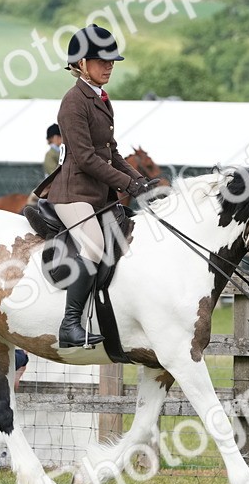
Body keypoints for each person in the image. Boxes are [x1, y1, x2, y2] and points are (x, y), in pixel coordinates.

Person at [35, 23, 157, 348]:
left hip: (97, 195)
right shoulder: (73, 102)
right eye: (102, 60)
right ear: (81, 64)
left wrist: (141, 181)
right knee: (93, 245)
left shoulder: (101, 99)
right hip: (73, 192)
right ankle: (70, 324)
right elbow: (88, 159)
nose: (110, 66)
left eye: (112, 61)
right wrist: (128, 186)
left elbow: (111, 152)